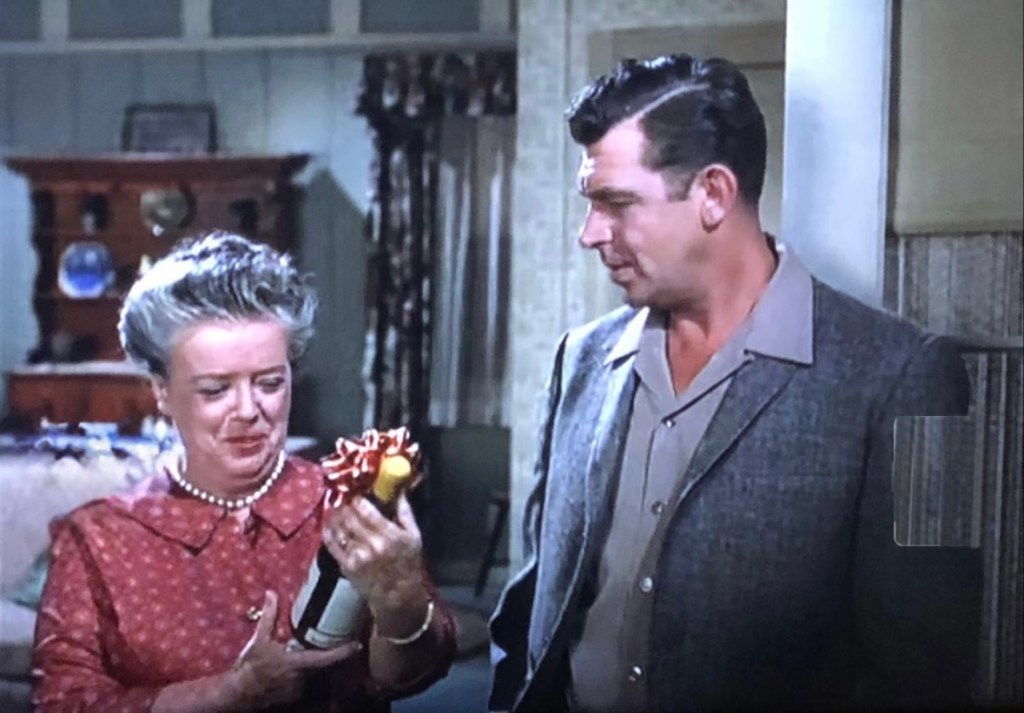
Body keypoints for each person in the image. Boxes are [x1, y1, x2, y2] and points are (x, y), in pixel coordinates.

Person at [489, 54, 982, 712]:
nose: (590, 233)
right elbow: (534, 610)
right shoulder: (579, 360)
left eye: (616, 203)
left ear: (715, 194)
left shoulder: (904, 377)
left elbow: (922, 673)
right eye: (590, 204)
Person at [32, 232, 455, 712]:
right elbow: (62, 703)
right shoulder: (97, 540)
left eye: (270, 383)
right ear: (162, 391)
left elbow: (415, 673)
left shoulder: (346, 503)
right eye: (216, 390)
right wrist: (230, 693)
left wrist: (401, 605)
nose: (250, 410)